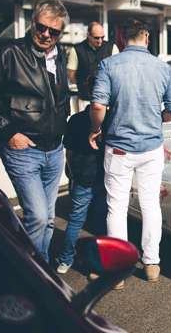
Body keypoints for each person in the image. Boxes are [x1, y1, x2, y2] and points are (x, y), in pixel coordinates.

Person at [89, 19, 171, 289]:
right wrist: (156, 118)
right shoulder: (162, 68)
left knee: (116, 206)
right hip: (151, 147)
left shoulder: (109, 64)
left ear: (120, 37)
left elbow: (98, 105)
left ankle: (117, 270)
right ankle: (151, 263)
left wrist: (95, 129)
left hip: (119, 146)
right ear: (147, 38)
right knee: (150, 203)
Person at [0, 0, 70, 263]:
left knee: (48, 218)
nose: (47, 35)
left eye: (54, 32)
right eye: (42, 28)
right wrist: (8, 133)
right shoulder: (10, 52)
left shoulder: (59, 55)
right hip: (23, 150)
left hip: (54, 149)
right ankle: (32, 272)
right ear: (33, 24)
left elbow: (60, 100)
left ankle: (44, 272)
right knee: (38, 216)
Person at [55, 105, 107, 274]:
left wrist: (72, 174)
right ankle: (99, 260)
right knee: (101, 222)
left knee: (76, 219)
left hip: (82, 177)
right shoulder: (108, 119)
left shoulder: (76, 119)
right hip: (102, 178)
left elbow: (69, 152)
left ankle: (65, 260)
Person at [67, 22, 119, 102]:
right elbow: (71, 75)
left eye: (102, 37)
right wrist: (83, 87)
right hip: (84, 99)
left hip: (106, 98)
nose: (100, 41)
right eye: (96, 38)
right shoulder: (76, 50)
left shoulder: (112, 48)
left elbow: (116, 73)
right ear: (88, 35)